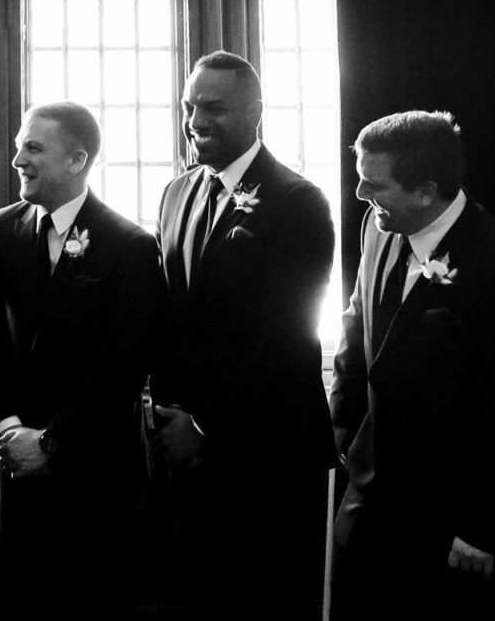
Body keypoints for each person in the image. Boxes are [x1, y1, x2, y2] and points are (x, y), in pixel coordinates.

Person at [328, 111, 495, 619]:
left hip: (451, 518)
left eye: (373, 184)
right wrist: (344, 432)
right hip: (370, 498)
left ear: (427, 192)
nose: (361, 195)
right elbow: (355, 325)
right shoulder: (379, 227)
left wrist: (481, 525)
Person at [152, 50, 336, 616]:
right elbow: (171, 313)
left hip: (266, 454)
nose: (195, 121)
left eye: (213, 107)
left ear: (255, 112)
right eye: (189, 107)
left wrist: (206, 424)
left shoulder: (296, 200)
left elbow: (284, 337)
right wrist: (167, 412)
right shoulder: (177, 192)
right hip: (187, 452)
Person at [0, 102, 168, 614]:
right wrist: (5, 425)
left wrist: (51, 442)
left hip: (96, 474)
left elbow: (124, 366)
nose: (17, 158)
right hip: (14, 465)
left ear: (77, 160)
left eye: (34, 147)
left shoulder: (129, 246)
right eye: (20, 144)